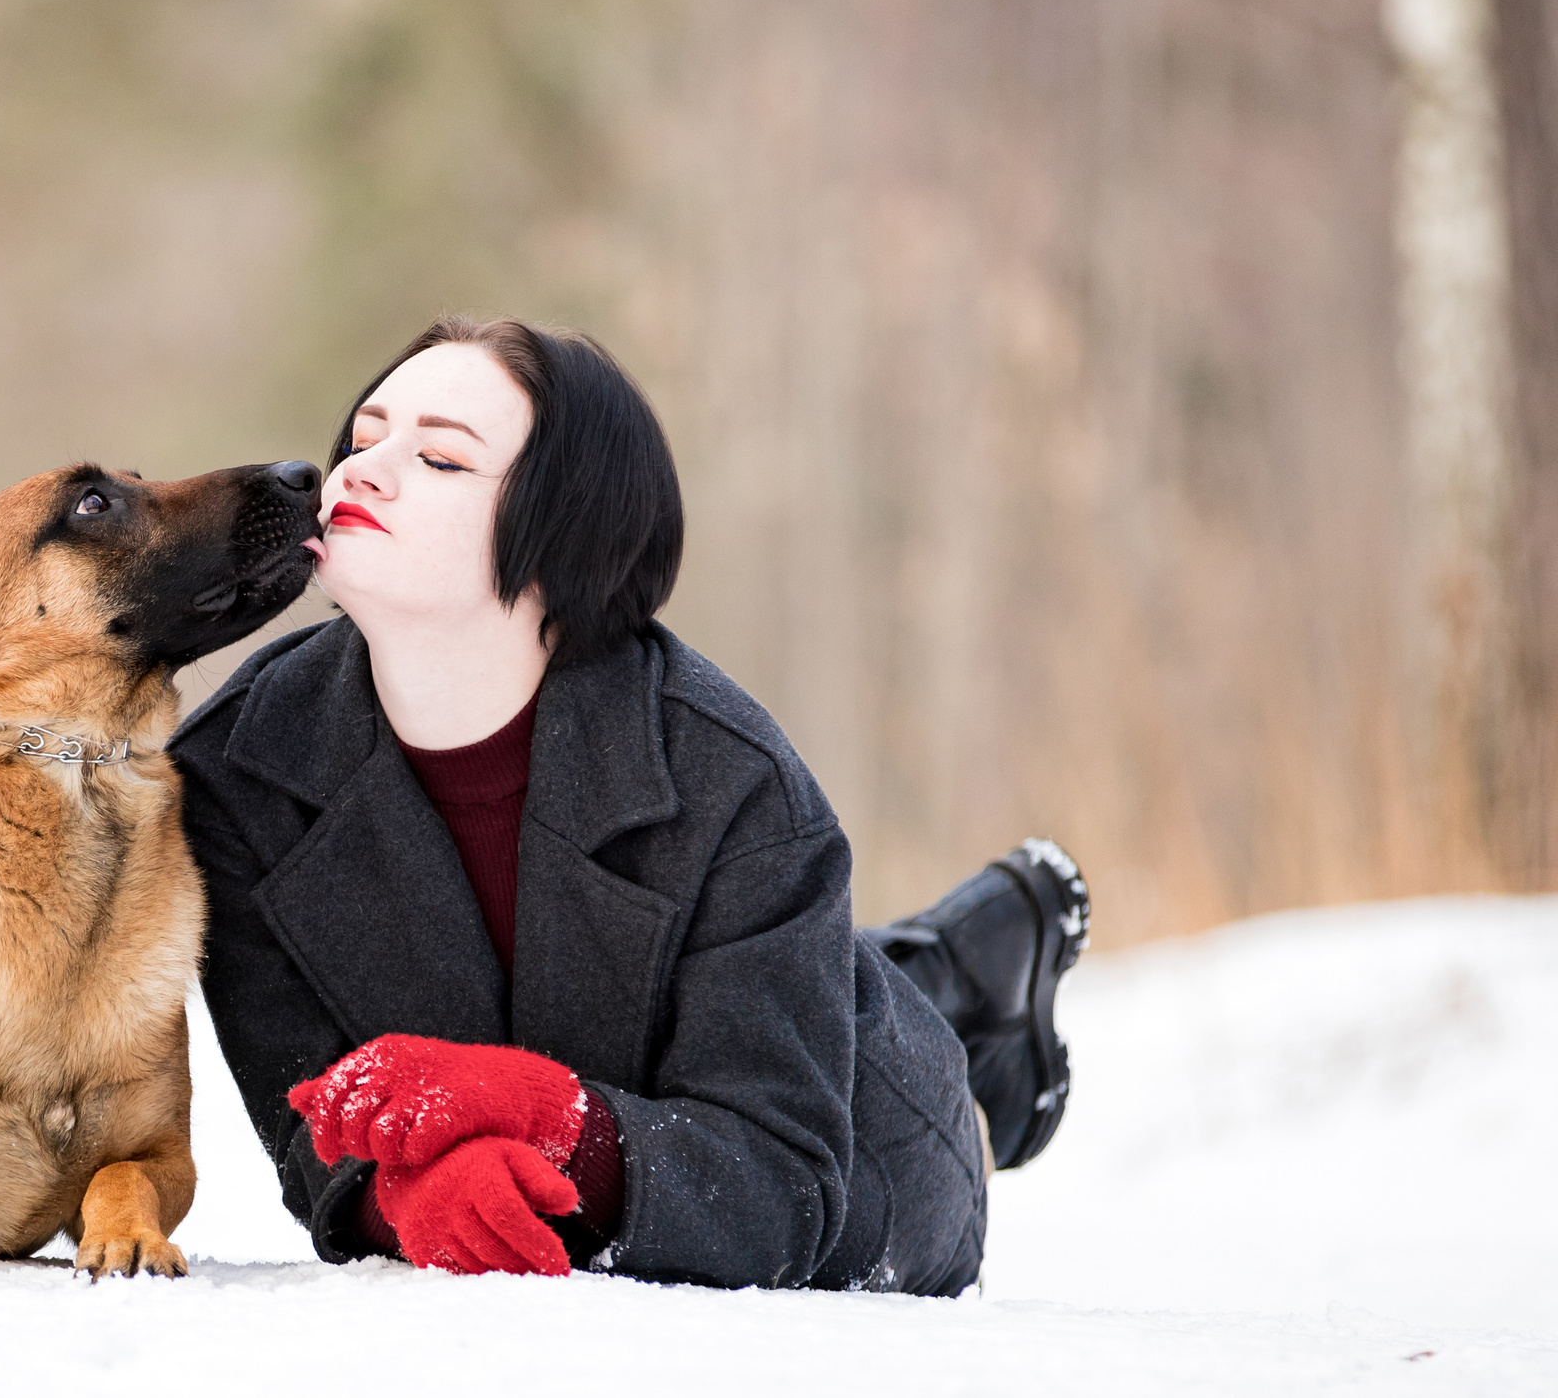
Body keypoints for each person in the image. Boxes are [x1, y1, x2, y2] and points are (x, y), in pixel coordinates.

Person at [170, 317, 1089, 1292]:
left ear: (561, 535)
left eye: (439, 457)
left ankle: (959, 976)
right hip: (721, 1010)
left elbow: (783, 1181)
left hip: (866, 1156)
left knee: (879, 1031)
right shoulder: (230, 780)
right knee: (805, 967)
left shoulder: (732, 780)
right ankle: (960, 954)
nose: (359, 473)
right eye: (362, 439)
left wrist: (562, 1123)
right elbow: (310, 1120)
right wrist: (396, 1200)